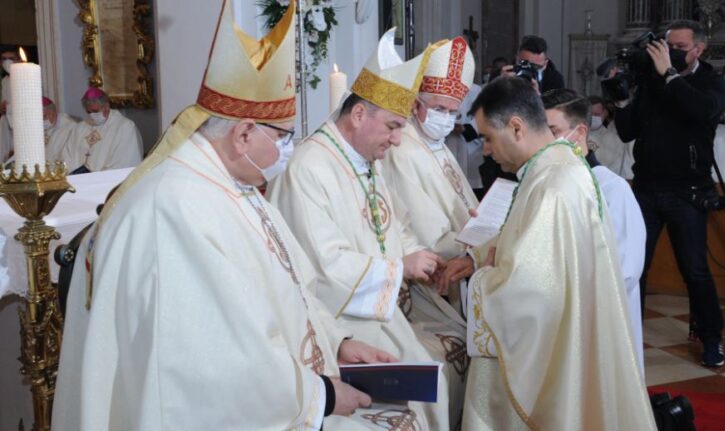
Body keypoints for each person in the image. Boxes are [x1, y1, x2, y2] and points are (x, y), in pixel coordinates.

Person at [52, 2, 403, 429]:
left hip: (288, 383)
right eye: (284, 138)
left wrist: (338, 341)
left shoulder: (233, 184)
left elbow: (291, 289)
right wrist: (323, 394)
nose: (288, 150)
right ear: (242, 134)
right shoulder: (178, 209)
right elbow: (216, 363)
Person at [269, 29, 453, 430]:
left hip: (378, 306)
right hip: (342, 319)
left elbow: (393, 224)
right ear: (357, 115)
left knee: (435, 378)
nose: (398, 140)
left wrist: (419, 259)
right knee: (421, 399)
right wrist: (398, 268)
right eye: (391, 126)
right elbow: (323, 266)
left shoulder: (364, 160)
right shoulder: (310, 168)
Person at [460, 76, 654, 430]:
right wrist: (481, 257)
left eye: (488, 137)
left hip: (558, 352)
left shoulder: (554, 185)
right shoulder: (553, 168)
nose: (486, 149)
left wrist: (483, 280)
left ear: (516, 127)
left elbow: (532, 292)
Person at [614, 19, 725, 367]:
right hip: (646, 189)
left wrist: (671, 76)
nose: (670, 52)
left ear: (698, 49)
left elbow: (703, 111)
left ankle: (711, 338)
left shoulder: (710, 81)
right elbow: (627, 132)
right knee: (635, 267)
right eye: (667, 45)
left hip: (688, 192)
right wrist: (620, 100)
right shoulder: (652, 80)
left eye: (678, 47)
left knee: (694, 270)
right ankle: (627, 338)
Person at [379, 36, 478, 426]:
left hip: (461, 265)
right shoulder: (403, 148)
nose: (446, 118)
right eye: (438, 108)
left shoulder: (437, 143)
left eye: (453, 110)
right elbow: (428, 233)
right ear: (415, 103)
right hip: (434, 276)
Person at [542, 88, 646, 376]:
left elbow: (626, 270)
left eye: (553, 131)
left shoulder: (612, 190)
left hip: (601, 320)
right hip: (556, 319)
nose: (544, 142)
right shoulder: (545, 185)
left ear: (580, 132)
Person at [63, 86, 143, 173]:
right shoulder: (79, 128)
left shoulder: (125, 127)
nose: (92, 115)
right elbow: (67, 156)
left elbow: (124, 162)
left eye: (95, 111)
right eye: (89, 112)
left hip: (107, 183)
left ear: (107, 106)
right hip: (80, 182)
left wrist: (96, 179)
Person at [589, 95, 634, 179]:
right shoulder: (576, 136)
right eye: (590, 114)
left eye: (597, 114)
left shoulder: (615, 138)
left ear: (605, 113)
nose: (593, 118)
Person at [42, 96, 78, 166]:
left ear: (53, 112)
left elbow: (71, 157)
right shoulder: (35, 130)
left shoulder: (70, 128)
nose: (41, 121)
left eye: (44, 116)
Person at [0, 49, 18, 162]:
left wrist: (10, 108)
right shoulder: (4, 81)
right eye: (4, 59)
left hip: (19, 122)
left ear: (18, 60)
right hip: (6, 122)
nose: (7, 62)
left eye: (11, 58)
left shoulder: (25, 78)